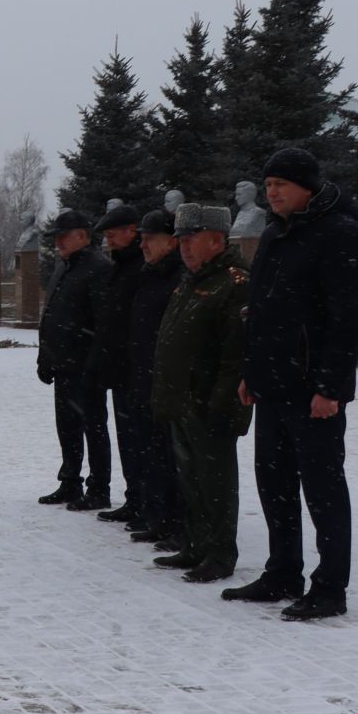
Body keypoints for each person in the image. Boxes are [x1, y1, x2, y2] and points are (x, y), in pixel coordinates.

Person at [233, 148, 358, 621]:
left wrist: (331, 387)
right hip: (272, 385)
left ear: (307, 186)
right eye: (268, 183)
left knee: (323, 489)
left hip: (314, 390)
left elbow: (348, 318)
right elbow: (261, 311)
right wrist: (251, 373)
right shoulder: (276, 233)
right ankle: (282, 572)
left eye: (281, 184)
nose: (272, 192)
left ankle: (331, 588)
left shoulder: (340, 234)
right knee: (274, 485)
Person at [149, 204, 253, 585]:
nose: (184, 247)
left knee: (217, 483)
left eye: (191, 239)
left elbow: (235, 355)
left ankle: (220, 552)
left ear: (216, 239)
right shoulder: (190, 281)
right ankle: (195, 544)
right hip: (183, 401)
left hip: (210, 403)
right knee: (191, 479)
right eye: (181, 240)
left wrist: (221, 405)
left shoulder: (233, 283)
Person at [35, 209, 113, 509]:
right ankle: (70, 482)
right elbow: (52, 314)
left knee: (93, 427)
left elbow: (102, 322)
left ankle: (99, 488)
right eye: (55, 237)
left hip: (86, 366)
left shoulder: (98, 268)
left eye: (63, 237)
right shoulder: (64, 266)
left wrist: (95, 364)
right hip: (63, 364)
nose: (58, 242)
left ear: (83, 235)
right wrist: (46, 357)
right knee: (67, 426)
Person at [121, 211, 185, 550]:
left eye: (150, 238)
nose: (142, 244)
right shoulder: (150, 275)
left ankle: (176, 522)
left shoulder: (178, 276)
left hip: (167, 383)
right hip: (143, 379)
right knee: (151, 453)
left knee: (169, 455)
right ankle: (158, 517)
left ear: (171, 241)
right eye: (141, 237)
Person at [93, 206, 148, 521]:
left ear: (132, 231)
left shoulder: (140, 267)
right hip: (120, 367)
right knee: (127, 438)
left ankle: (147, 501)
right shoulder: (120, 266)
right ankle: (134, 498)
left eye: (113, 235)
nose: (109, 241)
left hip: (136, 367)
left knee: (141, 440)